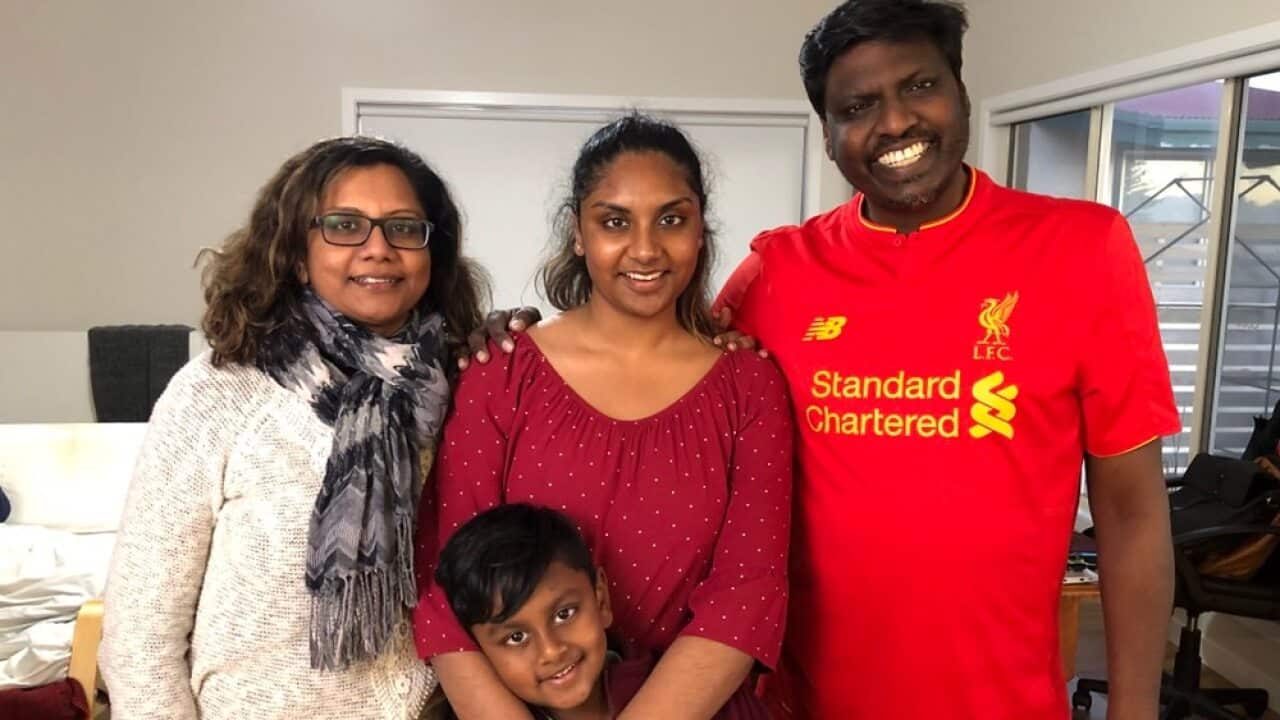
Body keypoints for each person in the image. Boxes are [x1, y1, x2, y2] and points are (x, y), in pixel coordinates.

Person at [711, 1, 1181, 718]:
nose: (895, 123)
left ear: (961, 94)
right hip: (805, 705)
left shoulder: (1083, 251)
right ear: (830, 135)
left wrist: (1135, 709)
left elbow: (1132, 513)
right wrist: (496, 341)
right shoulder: (774, 273)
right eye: (858, 106)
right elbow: (652, 385)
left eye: (919, 86)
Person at [414, 113, 794, 720]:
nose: (644, 249)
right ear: (578, 232)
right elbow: (445, 586)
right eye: (615, 221)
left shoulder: (749, 389)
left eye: (671, 219)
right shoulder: (500, 374)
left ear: (701, 230)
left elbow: (747, 594)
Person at [100, 136, 493, 719]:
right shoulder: (217, 389)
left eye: (405, 228)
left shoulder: (466, 383)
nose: (378, 249)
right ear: (294, 251)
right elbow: (140, 634)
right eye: (344, 225)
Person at [429, 503, 768, 720]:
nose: (552, 650)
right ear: (481, 651)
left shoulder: (709, 700)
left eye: (564, 614)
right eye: (516, 637)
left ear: (601, 599)